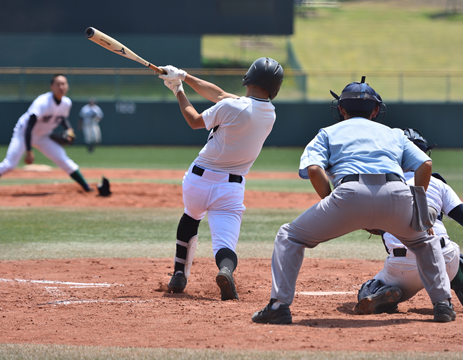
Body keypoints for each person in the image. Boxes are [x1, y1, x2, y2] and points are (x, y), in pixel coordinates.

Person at [251, 76, 456, 324]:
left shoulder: (327, 132)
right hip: (396, 194)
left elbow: (315, 170)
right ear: (376, 110)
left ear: (341, 109)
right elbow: (425, 164)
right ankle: (442, 305)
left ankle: (278, 306)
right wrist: (419, 209)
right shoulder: (394, 133)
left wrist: (333, 204)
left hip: (348, 192)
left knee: (289, 236)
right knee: (425, 241)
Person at [157, 58, 284, 301]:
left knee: (190, 217)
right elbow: (221, 95)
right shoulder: (270, 113)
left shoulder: (230, 107)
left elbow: (195, 120)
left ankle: (178, 273)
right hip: (230, 187)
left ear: (249, 78)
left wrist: (179, 90)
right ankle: (225, 270)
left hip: (197, 181)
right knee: (224, 244)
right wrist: (184, 75)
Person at [354, 128, 463, 315]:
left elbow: (365, 221)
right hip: (442, 257)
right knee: (454, 258)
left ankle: (379, 293)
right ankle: (448, 295)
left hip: (401, 270)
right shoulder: (438, 183)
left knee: (367, 288)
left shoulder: (377, 184)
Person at [0, 74, 93, 192]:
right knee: (9, 164)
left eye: (64, 84)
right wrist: (29, 151)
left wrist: (69, 129)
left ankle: (87, 188)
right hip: (23, 133)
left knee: (63, 160)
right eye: (58, 84)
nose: (61, 87)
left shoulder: (66, 103)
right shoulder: (42, 102)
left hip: (43, 136)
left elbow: (61, 117)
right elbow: (29, 127)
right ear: (51, 87)